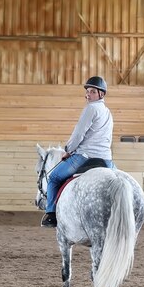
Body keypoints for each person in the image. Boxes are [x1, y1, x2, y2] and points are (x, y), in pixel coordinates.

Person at [41, 75, 115, 228]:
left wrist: (68, 150)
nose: (88, 94)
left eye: (92, 91)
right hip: (107, 159)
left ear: (101, 94)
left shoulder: (91, 108)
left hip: (85, 156)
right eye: (87, 91)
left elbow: (79, 134)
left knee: (53, 178)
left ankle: (51, 214)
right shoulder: (108, 112)